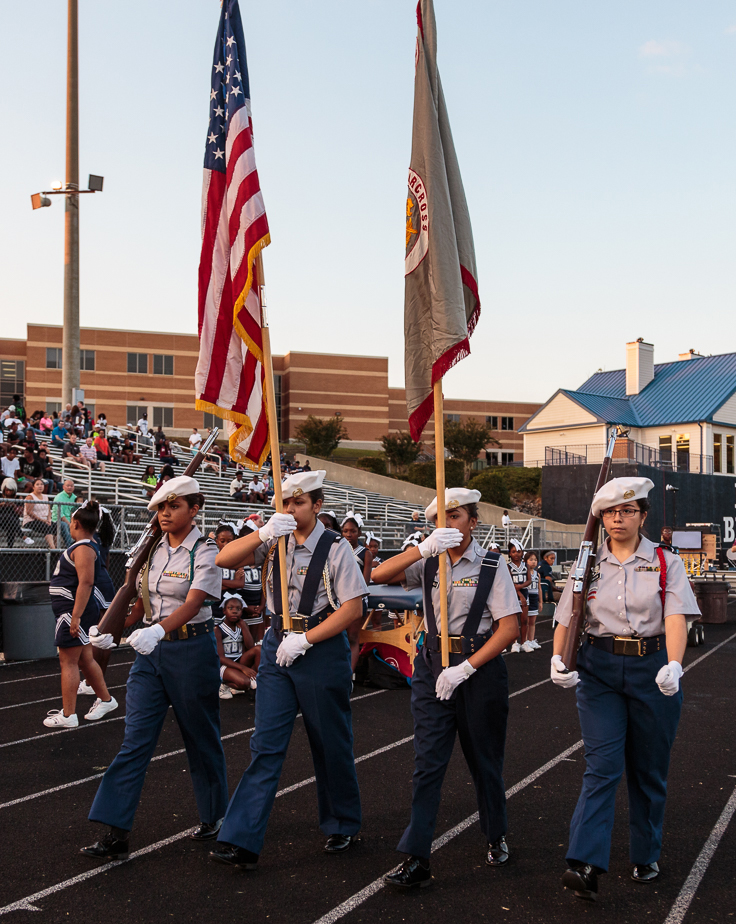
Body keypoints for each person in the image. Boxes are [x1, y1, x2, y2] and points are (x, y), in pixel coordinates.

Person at [551, 477, 700, 901]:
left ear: (643, 516)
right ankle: (583, 861)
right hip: (599, 671)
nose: (619, 517)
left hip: (652, 668)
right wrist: (558, 658)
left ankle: (645, 852)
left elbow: (675, 618)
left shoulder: (665, 561)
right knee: (602, 767)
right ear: (601, 517)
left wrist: (674, 664)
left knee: (648, 769)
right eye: (612, 511)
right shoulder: (587, 563)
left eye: (629, 510)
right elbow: (567, 617)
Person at [209, 469, 368, 870]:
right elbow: (222, 558)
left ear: (317, 505)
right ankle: (241, 836)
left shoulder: (336, 547)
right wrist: (262, 532)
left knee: (329, 741)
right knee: (265, 744)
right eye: (285, 502)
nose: (291, 509)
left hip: (319, 647)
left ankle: (342, 822)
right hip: (279, 648)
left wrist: (308, 639)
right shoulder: (274, 538)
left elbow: (353, 607)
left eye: (298, 502)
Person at [372, 488, 521, 888]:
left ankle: (495, 835)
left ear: (473, 521)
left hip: (479, 668)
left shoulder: (493, 564)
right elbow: (378, 576)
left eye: (454, 516)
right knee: (427, 763)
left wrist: (466, 668)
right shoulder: (429, 560)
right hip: (432, 665)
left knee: (484, 761)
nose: (447, 524)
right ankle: (417, 855)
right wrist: (422, 549)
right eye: (440, 517)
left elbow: (508, 628)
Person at [82, 475, 228, 861]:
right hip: (150, 654)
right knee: (134, 742)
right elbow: (141, 600)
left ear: (194, 510)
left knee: (201, 738)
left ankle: (215, 816)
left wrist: (158, 630)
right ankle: (116, 831)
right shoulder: (151, 550)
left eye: (174, 506)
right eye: (161, 507)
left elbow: (194, 602)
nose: (165, 513)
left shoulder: (205, 549)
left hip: (190, 650)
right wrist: (110, 629)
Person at [42, 501, 117, 728]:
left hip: (72, 612)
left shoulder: (83, 547)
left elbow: (86, 583)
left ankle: (68, 714)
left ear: (74, 523)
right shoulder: (84, 546)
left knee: (68, 662)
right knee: (85, 659)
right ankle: (106, 699)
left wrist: (75, 617)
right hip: (73, 611)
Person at [340, 511, 374, 672]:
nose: (348, 534)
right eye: (345, 531)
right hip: (338, 600)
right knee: (337, 639)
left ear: (359, 532)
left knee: (352, 638)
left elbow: (365, 582)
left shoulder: (365, 553)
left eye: (352, 531)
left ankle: (350, 675)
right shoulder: (337, 550)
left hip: (356, 599)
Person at [215, 594, 260, 699]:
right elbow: (220, 658)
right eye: (230, 608)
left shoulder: (242, 626)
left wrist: (244, 627)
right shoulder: (218, 629)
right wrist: (243, 668)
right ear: (224, 611)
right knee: (245, 683)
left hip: (239, 661)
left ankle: (259, 680)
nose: (235, 611)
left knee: (258, 649)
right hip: (225, 666)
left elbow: (250, 647)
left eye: (238, 609)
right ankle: (224, 684)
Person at [211, 522, 246, 626]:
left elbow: (240, 584)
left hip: (233, 606)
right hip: (215, 604)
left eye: (229, 541)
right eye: (222, 541)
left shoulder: (238, 559)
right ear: (217, 541)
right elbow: (211, 585)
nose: (226, 544)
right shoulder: (212, 559)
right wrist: (233, 581)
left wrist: (218, 582)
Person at [506, 540, 530, 653]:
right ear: (509, 553)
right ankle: (515, 643)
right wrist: (520, 595)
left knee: (524, 620)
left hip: (524, 592)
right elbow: (510, 583)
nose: (516, 554)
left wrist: (519, 587)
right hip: (513, 594)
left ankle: (524, 642)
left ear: (522, 553)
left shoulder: (526, 565)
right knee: (515, 620)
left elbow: (529, 580)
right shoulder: (508, 566)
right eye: (513, 552)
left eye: (518, 551)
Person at [22, 479, 56, 549]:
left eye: (42, 484)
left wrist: (49, 519)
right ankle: (53, 549)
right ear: (33, 487)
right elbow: (29, 512)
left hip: (44, 520)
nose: (40, 486)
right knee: (47, 527)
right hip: (31, 521)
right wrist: (42, 520)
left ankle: (55, 547)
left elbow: (49, 510)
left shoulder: (46, 497)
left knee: (57, 527)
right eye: (37, 484)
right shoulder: (30, 497)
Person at [521, 551, 541, 651]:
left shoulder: (537, 574)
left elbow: (539, 588)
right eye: (531, 560)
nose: (533, 562)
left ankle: (531, 639)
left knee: (533, 621)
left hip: (534, 598)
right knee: (526, 621)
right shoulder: (524, 573)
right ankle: (525, 641)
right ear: (525, 561)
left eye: (535, 560)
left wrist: (541, 601)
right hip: (527, 597)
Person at [52, 479, 78, 548]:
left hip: (71, 520)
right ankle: (70, 547)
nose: (69, 487)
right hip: (58, 521)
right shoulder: (59, 497)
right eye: (68, 486)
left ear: (74, 487)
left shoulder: (75, 498)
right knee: (64, 525)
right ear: (63, 487)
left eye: (71, 486)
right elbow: (60, 515)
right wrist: (70, 524)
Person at [0, 478, 23, 547]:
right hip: (1, 519)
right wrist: (2, 504)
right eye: (7, 490)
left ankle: (10, 547)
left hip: (13, 520)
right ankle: (21, 534)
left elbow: (20, 513)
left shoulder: (18, 497)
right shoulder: (0, 497)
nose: (9, 492)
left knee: (12, 524)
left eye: (11, 490)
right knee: (12, 521)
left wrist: (14, 506)